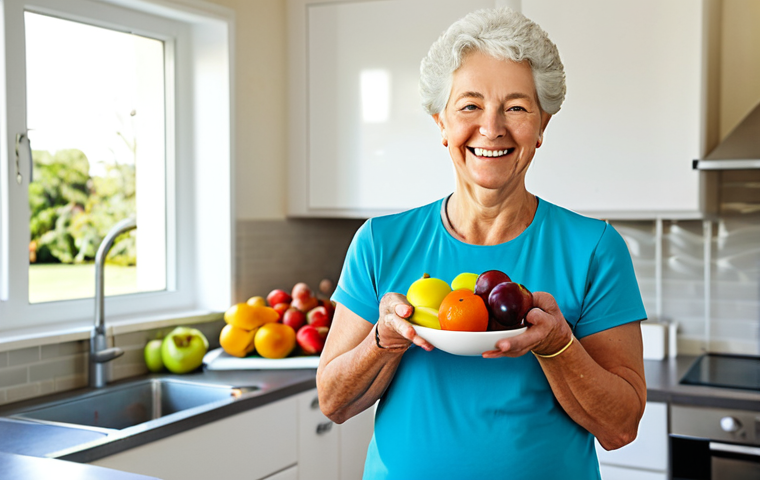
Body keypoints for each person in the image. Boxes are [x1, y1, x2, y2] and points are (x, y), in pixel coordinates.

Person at [316, 7, 647, 480]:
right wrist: (383, 341)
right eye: (469, 106)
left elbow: (621, 427)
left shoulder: (594, 248)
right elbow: (333, 402)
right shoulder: (380, 242)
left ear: (542, 126)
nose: (491, 128)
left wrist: (557, 344)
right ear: (441, 122)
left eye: (516, 107)